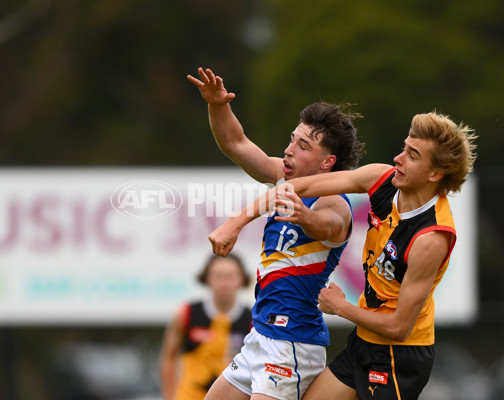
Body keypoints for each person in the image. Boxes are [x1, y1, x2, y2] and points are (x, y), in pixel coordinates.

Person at [208, 111, 477, 400]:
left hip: (399, 357)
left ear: (435, 174)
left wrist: (342, 307)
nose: (398, 158)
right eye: (404, 148)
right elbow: (298, 185)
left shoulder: (431, 237)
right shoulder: (382, 178)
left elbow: (399, 328)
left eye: (412, 155)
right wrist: (236, 222)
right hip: (360, 343)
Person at [187, 67, 365, 400]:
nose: (289, 150)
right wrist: (217, 105)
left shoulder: (335, 204)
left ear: (327, 162)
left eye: (302, 145)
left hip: (293, 341)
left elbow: (327, 226)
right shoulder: (282, 181)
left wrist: (305, 216)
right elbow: (235, 142)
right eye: (291, 139)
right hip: (262, 335)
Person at [159, 254, 252, 400]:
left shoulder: (253, 319)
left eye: (230, 276)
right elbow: (168, 358)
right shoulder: (186, 313)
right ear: (206, 279)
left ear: (242, 279)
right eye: (218, 276)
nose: (224, 283)